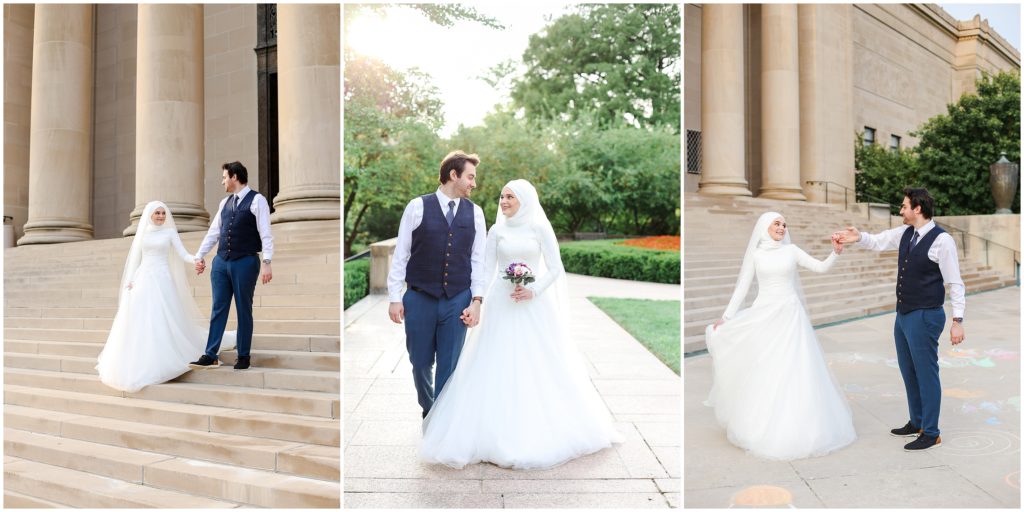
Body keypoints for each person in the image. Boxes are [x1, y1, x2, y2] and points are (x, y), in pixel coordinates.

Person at [419, 179, 623, 470]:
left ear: (524, 201)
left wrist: (533, 289)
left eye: (510, 197)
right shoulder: (497, 231)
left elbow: (555, 268)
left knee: (536, 363)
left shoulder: (539, 228)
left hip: (533, 305)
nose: (503, 202)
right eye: (502, 197)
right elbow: (487, 269)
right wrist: (478, 301)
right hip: (502, 304)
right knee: (494, 362)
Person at [705, 211, 856, 460]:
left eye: (784, 224)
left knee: (793, 368)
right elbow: (743, 286)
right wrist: (727, 317)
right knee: (765, 368)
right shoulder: (757, 254)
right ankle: (757, 425)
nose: (782, 227)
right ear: (765, 226)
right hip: (764, 315)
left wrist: (835, 252)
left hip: (789, 317)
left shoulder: (791, 250)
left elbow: (820, 268)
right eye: (776, 223)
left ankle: (798, 426)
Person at [836, 187, 965, 451]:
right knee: (908, 371)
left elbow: (955, 282)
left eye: (904, 206)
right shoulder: (906, 233)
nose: (901, 210)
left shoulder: (943, 241)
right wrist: (858, 236)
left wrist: (957, 320)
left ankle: (931, 432)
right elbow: (878, 241)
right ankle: (916, 421)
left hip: (926, 314)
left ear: (918, 208)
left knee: (926, 374)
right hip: (904, 313)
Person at [387, 151, 487, 418]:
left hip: (458, 298)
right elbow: (401, 255)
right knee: (419, 362)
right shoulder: (417, 207)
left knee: (449, 365)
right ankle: (429, 407)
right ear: (453, 175)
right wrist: (395, 297)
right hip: (420, 297)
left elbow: (478, 261)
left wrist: (477, 302)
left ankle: (441, 419)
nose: (473, 184)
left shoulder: (476, 214)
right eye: (470, 177)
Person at [96, 201, 233, 392]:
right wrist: (131, 280)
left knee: (162, 316)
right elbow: (136, 259)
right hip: (144, 278)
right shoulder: (143, 233)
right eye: (157, 213)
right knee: (141, 319)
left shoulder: (169, 233)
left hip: (162, 279)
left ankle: (164, 355)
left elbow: (183, 253)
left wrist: (196, 259)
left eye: (163, 213)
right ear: (150, 215)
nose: (161, 216)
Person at [189, 161, 274, 371]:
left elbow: (266, 233)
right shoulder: (224, 203)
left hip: (245, 261)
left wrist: (267, 262)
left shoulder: (258, 200)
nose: (223, 181)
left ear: (234, 177)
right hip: (221, 262)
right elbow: (214, 232)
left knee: (243, 309)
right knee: (218, 308)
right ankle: (211, 354)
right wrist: (199, 256)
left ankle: (243, 355)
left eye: (224, 177)